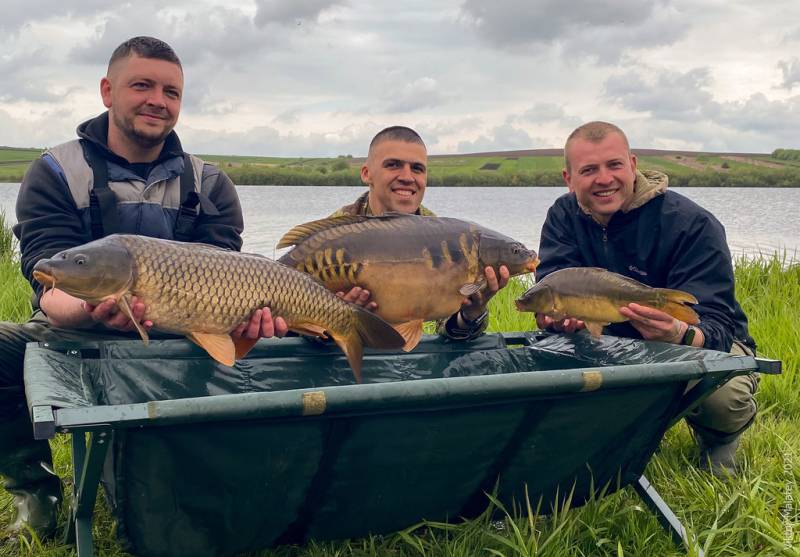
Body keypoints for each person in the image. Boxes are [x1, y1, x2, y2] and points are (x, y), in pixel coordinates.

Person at [0, 36, 287, 541]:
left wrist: (252, 323)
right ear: (108, 90)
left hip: (184, 340)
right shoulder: (56, 170)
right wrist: (91, 310)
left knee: (280, 347)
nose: (158, 99)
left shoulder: (209, 182)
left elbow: (231, 277)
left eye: (171, 92)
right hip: (75, 331)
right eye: (143, 85)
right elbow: (48, 277)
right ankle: (36, 491)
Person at [535, 120, 758, 476]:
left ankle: (721, 435)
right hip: (606, 344)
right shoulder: (563, 216)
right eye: (589, 170)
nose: (604, 179)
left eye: (614, 165)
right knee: (544, 366)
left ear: (633, 165)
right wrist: (557, 320)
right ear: (569, 178)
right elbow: (550, 289)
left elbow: (717, 323)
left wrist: (677, 333)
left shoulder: (691, 224)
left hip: (695, 343)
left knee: (723, 399)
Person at [329, 125, 509, 340]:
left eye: (417, 168)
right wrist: (333, 313)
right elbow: (296, 306)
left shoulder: (444, 237)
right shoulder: (336, 231)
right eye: (393, 165)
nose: (407, 177)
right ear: (367, 173)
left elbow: (450, 330)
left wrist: (471, 313)